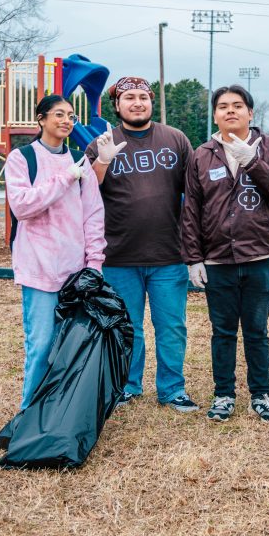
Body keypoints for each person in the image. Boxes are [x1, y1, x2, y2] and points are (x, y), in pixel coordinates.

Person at [180, 85, 269, 424]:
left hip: (259, 257)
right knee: (223, 331)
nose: (230, 111)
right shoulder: (202, 154)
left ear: (250, 113)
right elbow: (191, 211)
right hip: (217, 260)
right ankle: (223, 394)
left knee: (257, 330)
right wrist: (193, 258)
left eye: (237, 106)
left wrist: (253, 161)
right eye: (222, 106)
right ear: (215, 114)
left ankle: (261, 394)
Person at [85, 76, 199, 413]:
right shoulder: (102, 142)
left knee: (171, 326)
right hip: (119, 256)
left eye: (143, 97)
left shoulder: (175, 139)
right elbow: (84, 192)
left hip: (169, 254)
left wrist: (196, 250)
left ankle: (172, 388)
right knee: (126, 326)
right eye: (129, 97)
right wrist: (102, 160)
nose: (137, 103)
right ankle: (127, 386)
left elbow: (194, 194)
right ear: (117, 105)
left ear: (151, 102)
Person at [6, 95, 106, 409]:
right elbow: (22, 206)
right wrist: (65, 178)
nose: (66, 121)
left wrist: (95, 263)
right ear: (41, 119)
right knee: (41, 344)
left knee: (71, 345)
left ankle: (61, 412)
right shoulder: (22, 158)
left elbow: (93, 214)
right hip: (39, 269)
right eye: (59, 114)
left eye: (71, 116)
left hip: (75, 271)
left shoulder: (80, 161)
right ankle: (29, 413)